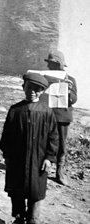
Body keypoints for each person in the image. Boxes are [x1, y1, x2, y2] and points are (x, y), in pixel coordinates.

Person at [0, 73, 59, 224]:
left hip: (39, 159)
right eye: (29, 87)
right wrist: (8, 156)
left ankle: (33, 219)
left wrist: (49, 158)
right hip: (17, 159)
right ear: (23, 87)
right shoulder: (15, 110)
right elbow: (6, 136)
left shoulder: (46, 111)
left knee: (36, 190)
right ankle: (18, 217)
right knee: (16, 189)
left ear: (43, 91)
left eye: (37, 89)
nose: (32, 91)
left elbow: (53, 136)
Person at [43, 50, 77, 186]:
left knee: (61, 144)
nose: (48, 67)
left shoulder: (71, 80)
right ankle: (43, 168)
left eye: (51, 64)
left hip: (62, 116)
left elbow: (74, 99)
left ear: (58, 64)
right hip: (47, 114)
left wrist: (68, 90)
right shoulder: (45, 77)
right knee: (45, 141)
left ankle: (59, 172)